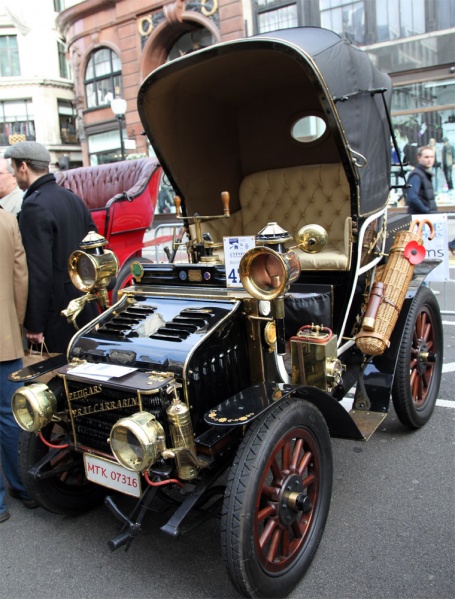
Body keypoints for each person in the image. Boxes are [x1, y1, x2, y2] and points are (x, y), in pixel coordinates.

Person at [4, 141, 98, 353]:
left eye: (13, 168)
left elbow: (38, 271)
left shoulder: (34, 205)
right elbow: (94, 246)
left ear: (23, 167)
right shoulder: (73, 198)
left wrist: (35, 324)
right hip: (84, 305)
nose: (14, 175)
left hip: (56, 315)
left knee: (57, 371)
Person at [0, 206, 37, 522]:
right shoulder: (6, 218)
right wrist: (16, 324)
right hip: (5, 336)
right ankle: (24, 487)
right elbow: (20, 277)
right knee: (12, 415)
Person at [405, 145, 437, 215]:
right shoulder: (416, 175)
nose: (429, 160)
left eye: (432, 157)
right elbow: (412, 197)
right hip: (420, 216)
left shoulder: (424, 174)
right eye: (426, 157)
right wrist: (426, 210)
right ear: (419, 158)